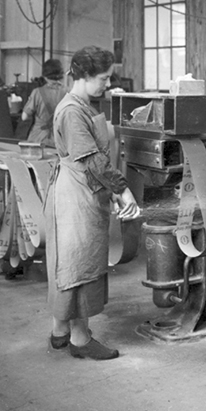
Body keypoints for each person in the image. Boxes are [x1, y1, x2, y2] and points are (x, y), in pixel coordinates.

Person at [45, 46, 139, 361]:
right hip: (76, 194)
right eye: (103, 78)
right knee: (78, 264)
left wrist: (109, 191)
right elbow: (93, 161)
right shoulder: (72, 111)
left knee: (71, 262)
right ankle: (80, 338)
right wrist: (123, 191)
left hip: (87, 189)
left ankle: (60, 331)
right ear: (84, 76)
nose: (107, 84)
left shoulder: (84, 105)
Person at [21, 59, 67, 145]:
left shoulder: (37, 92)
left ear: (45, 76)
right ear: (61, 75)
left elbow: (24, 117)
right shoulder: (68, 92)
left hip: (39, 138)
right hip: (61, 139)